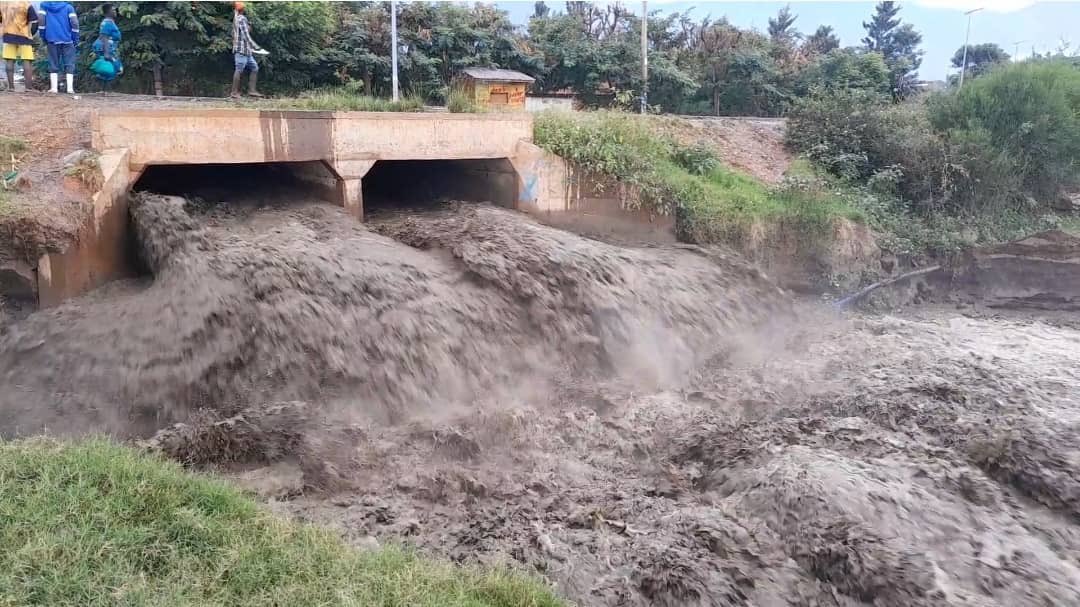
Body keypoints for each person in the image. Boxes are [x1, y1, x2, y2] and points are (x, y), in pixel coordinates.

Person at [39, 1, 79, 94]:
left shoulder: (44, 6)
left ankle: (54, 88)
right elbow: (75, 22)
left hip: (51, 39)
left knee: (53, 63)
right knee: (69, 64)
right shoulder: (68, 7)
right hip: (68, 40)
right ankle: (70, 89)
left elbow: (41, 21)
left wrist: (43, 35)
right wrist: (75, 38)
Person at [0, 1, 39, 91]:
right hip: (24, 35)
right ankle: (28, 88)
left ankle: (11, 87)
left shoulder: (3, 3)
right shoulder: (25, 3)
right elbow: (34, 21)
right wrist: (31, 34)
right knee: (27, 60)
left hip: (8, 35)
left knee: (9, 60)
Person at [231, 2, 263, 98]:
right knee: (239, 70)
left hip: (246, 51)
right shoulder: (241, 18)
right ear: (243, 9)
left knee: (254, 68)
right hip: (241, 50)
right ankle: (234, 93)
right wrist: (255, 46)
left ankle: (252, 91)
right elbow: (246, 35)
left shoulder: (236, 18)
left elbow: (234, 33)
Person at [90, 3, 122, 88]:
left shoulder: (109, 22)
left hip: (110, 47)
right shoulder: (107, 23)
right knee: (115, 68)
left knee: (110, 67)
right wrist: (107, 53)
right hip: (108, 48)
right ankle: (104, 87)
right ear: (108, 12)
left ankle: (105, 90)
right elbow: (104, 37)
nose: (115, 11)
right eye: (113, 10)